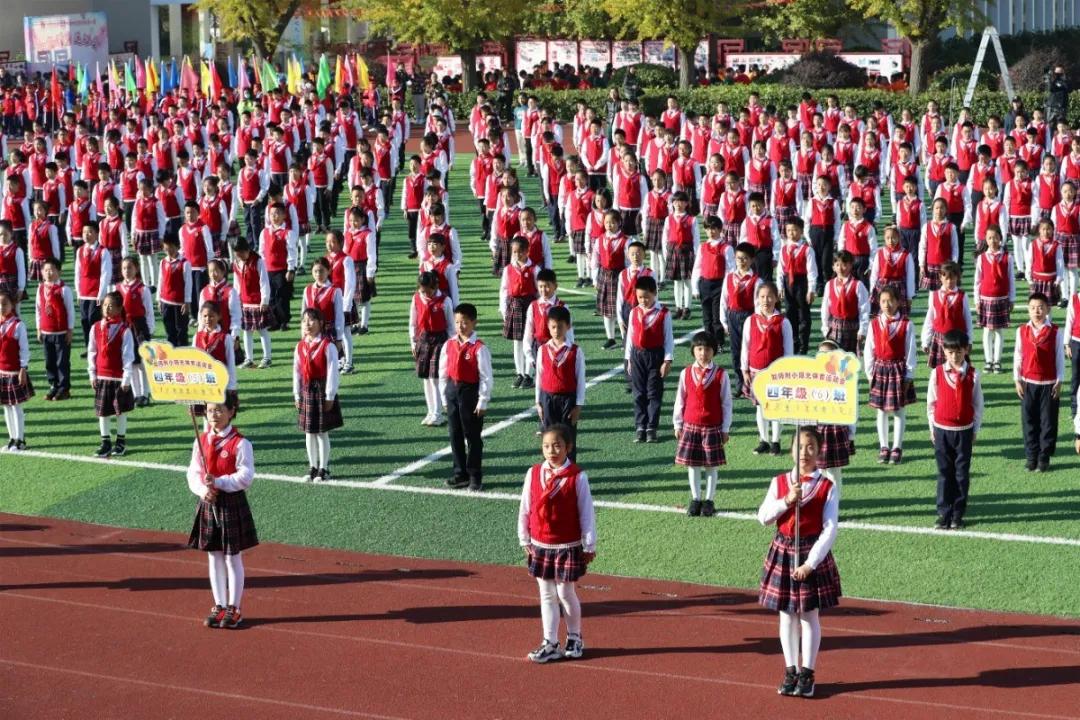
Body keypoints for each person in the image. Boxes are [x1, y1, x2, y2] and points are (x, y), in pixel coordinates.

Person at [757, 426, 842, 699]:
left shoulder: (827, 486)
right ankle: (790, 669)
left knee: (808, 615)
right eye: (799, 447)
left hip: (810, 553)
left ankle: (807, 672)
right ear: (791, 449)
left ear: (818, 452)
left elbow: (830, 529)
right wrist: (786, 500)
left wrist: (811, 563)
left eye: (810, 448)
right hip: (783, 550)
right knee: (786, 614)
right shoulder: (780, 482)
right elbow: (764, 517)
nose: (804, 453)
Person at [517, 424, 596, 663]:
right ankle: (550, 641)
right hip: (540, 543)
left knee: (565, 592)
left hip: (567, 544)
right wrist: (524, 536)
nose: (551, 451)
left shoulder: (577, 477)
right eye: (546, 446)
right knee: (546, 594)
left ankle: (575, 637)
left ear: (568, 447)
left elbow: (586, 512)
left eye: (557, 446)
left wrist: (589, 544)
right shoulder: (533, 473)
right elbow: (525, 507)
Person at [186, 396, 257, 630]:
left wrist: (218, 482)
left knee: (231, 556)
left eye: (219, 410)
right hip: (209, 501)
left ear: (231, 411)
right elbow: (193, 472)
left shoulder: (240, 443)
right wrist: (202, 490)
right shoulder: (201, 440)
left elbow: (245, 477)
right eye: (209, 410)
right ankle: (219, 604)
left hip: (230, 503)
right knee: (213, 555)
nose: (213, 415)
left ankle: (234, 607)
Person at [927, 330, 983, 530]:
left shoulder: (973, 375)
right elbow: (931, 403)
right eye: (950, 352)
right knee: (944, 473)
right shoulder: (937, 373)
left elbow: (978, 404)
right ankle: (943, 512)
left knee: (961, 473)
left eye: (958, 351)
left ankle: (958, 513)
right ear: (944, 351)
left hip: (964, 431)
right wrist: (932, 427)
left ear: (965, 350)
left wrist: (975, 429)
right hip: (942, 431)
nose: (954, 356)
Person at [673, 331, 732, 517]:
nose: (703, 353)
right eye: (699, 349)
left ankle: (709, 500)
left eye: (707, 349)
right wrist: (677, 424)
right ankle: (695, 498)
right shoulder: (686, 373)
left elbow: (726, 403)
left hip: (712, 426)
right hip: (690, 425)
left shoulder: (721, 375)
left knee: (711, 466)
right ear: (693, 351)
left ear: (713, 351)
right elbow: (680, 400)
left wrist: (725, 428)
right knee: (693, 465)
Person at [439, 303, 493, 491]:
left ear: (473, 323)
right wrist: (444, 398)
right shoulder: (449, 344)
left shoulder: (479, 348)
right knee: (455, 435)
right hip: (453, 391)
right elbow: (443, 373)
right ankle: (459, 473)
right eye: (458, 322)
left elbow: (486, 377)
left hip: (470, 393)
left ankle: (474, 475)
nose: (461, 326)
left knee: (473, 436)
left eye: (465, 322)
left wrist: (483, 400)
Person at [865, 285, 917, 465]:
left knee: (899, 410)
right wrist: (869, 372)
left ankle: (897, 447)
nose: (887, 305)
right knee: (881, 411)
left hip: (898, 370)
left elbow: (911, 351)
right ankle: (884, 446)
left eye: (891, 301)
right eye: (883, 301)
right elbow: (869, 349)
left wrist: (909, 374)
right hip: (879, 369)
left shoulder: (906, 324)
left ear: (898, 302)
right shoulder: (874, 324)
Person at [1014, 293, 1065, 473]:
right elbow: (1018, 357)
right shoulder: (1021, 331)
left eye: (1041, 307)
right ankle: (1031, 456)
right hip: (1028, 383)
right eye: (1033, 307)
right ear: (1028, 309)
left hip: (1049, 383)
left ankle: (1044, 456)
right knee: (1029, 420)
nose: (1037, 311)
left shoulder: (1056, 331)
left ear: (1048, 310)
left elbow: (1059, 357)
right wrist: (1017, 379)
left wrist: (1059, 381)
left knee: (1048, 421)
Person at [743, 282, 794, 454]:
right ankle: (763, 439)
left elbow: (788, 350)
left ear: (777, 298)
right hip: (756, 371)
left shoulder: (783, 322)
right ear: (757, 298)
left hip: (776, 374)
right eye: (763, 296)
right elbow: (746, 346)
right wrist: (744, 369)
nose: (766, 300)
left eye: (770, 296)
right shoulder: (750, 320)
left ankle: (775, 441)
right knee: (760, 407)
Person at [293, 307, 342, 483]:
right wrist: (296, 394)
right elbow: (296, 372)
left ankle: (324, 468)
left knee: (321, 432)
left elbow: (332, 373)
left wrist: (330, 395)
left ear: (321, 323)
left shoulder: (328, 346)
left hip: (321, 390)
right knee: (309, 432)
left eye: (312, 320)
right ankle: (312, 466)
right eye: (304, 321)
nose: (308, 324)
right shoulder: (300, 346)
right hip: (306, 390)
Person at [625, 275, 673, 443]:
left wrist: (667, 360)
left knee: (654, 393)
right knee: (639, 393)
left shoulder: (663, 313)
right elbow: (630, 337)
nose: (643, 300)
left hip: (655, 357)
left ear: (655, 293)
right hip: (637, 356)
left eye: (646, 296)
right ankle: (640, 426)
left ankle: (652, 427)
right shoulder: (634, 312)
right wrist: (628, 359)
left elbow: (668, 338)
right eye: (639, 297)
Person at [534, 306, 585, 461]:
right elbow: (539, 376)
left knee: (567, 438)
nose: (556, 331)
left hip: (568, 400)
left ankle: (570, 472)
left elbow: (581, 378)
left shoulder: (575, 351)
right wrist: (538, 401)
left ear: (568, 326)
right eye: (553, 327)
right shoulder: (543, 349)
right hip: (547, 398)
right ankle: (550, 470)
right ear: (548, 327)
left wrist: (578, 405)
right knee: (549, 437)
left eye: (560, 327)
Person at [88, 291, 135, 457]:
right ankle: (105, 441)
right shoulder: (95, 328)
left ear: (119, 308)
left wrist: (126, 378)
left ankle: (120, 441)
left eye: (111, 306)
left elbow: (128, 356)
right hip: (102, 376)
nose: (107, 308)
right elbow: (92, 352)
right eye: (105, 305)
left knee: (120, 411)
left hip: (118, 377)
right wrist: (92, 374)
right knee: (103, 411)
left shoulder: (124, 330)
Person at [410, 271, 454, 427]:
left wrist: (451, 346)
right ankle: (431, 411)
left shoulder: (445, 301)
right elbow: (413, 323)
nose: (425, 293)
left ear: (435, 286)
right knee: (426, 378)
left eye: (427, 290)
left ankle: (438, 414)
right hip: (424, 340)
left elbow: (450, 326)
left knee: (435, 378)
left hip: (440, 340)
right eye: (422, 290)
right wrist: (413, 342)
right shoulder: (416, 299)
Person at [720, 243, 762, 398]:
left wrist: (756, 322)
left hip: (749, 317)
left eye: (745, 259)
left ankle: (750, 382)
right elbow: (724, 300)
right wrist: (724, 321)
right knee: (735, 351)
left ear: (752, 260)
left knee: (749, 351)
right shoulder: (730, 277)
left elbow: (758, 304)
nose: (741, 261)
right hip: (733, 316)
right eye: (739, 258)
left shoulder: (756, 281)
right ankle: (739, 383)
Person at [973, 226, 1015, 374]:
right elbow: (977, 280)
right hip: (986, 298)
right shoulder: (981, 257)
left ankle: (997, 361)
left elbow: (1011, 279)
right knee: (987, 331)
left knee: (998, 331)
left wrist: (1012, 298)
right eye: (989, 237)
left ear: (1000, 238)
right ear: (986, 239)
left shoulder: (1007, 257)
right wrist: (977, 300)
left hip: (1002, 298)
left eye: (995, 237)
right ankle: (988, 360)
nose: (993, 240)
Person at [500, 237, 540, 389]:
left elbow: (538, 291)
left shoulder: (534, 269)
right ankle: (520, 373)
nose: (516, 255)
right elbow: (503, 290)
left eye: (520, 252)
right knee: (517, 342)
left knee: (529, 341)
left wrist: (537, 310)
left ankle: (529, 374)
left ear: (527, 251)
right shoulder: (508, 269)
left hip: (529, 306)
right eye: (514, 252)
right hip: (514, 306)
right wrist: (504, 309)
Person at [117, 256, 155, 407]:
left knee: (143, 363)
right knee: (130, 362)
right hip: (125, 328)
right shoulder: (118, 288)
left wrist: (150, 330)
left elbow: (149, 312)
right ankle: (136, 393)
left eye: (130, 268)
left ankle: (145, 394)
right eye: (124, 268)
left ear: (136, 269)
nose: (127, 271)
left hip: (139, 327)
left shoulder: (142, 289)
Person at [191, 301, 238, 423]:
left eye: (211, 316)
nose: (208, 319)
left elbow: (231, 364)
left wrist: (231, 386)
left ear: (219, 317)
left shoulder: (225, 338)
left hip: (219, 383)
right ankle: (209, 438)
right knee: (205, 414)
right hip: (201, 382)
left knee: (218, 413)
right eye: (205, 316)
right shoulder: (197, 337)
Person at [777, 217, 818, 355]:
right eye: (788, 230)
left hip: (802, 283)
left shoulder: (807, 250)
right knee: (790, 313)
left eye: (795, 230)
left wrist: (811, 290)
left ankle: (803, 343)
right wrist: (780, 287)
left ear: (801, 231)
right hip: (788, 283)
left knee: (803, 315)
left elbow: (812, 272)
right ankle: (793, 342)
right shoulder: (783, 250)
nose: (791, 233)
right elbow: (780, 271)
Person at [35, 258, 74, 401]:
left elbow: (70, 311)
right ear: (42, 273)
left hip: (61, 332)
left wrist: (70, 330)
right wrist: (39, 328)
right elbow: (38, 310)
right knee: (49, 361)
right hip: (46, 332)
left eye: (52, 270)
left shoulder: (64, 289)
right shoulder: (40, 289)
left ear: (59, 272)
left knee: (62, 362)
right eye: (46, 270)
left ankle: (64, 389)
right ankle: (54, 386)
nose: (49, 273)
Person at [921, 263, 972, 369]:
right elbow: (930, 319)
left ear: (957, 277)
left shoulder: (962, 296)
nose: (949, 281)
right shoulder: (934, 295)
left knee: (958, 368)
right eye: (946, 278)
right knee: (940, 370)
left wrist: (969, 340)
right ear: (940, 277)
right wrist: (925, 340)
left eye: (953, 278)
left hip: (957, 339)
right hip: (940, 339)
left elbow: (968, 320)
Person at [231, 237, 272, 369]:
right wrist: (236, 300)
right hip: (244, 303)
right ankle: (249, 359)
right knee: (246, 331)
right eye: (237, 254)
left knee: (262, 330)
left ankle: (267, 357)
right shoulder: (236, 264)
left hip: (257, 302)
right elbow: (236, 284)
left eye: (242, 253)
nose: (240, 257)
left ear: (247, 250)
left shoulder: (258, 261)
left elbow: (264, 281)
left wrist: (264, 300)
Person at [820, 251, 869, 354]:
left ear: (851, 265)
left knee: (849, 360)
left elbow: (864, 309)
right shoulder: (829, 285)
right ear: (833, 267)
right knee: (833, 359)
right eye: (837, 265)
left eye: (844, 265)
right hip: (834, 327)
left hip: (852, 328)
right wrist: (825, 327)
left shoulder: (858, 285)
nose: (841, 268)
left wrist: (862, 329)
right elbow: (825, 308)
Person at [593, 209, 629, 351]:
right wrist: (595, 278)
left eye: (612, 222)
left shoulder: (625, 240)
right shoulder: (600, 239)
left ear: (619, 223)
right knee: (607, 310)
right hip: (604, 276)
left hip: (619, 276)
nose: (609, 225)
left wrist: (627, 278)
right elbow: (595, 259)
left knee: (621, 309)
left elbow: (628, 261)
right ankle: (611, 338)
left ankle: (625, 337)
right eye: (607, 222)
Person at [0, 291, 30, 452]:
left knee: (17, 407)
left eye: (4, 303)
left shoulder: (18, 325)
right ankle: (12, 438)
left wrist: (23, 368)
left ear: (12, 305)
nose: (1, 307)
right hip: (1, 372)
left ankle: (20, 439)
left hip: (14, 372)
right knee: (6, 406)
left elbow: (24, 349)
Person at [664, 191, 699, 320]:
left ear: (686, 203)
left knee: (687, 281)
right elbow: (665, 237)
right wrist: (666, 252)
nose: (678, 204)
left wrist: (696, 254)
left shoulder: (692, 220)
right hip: (673, 251)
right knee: (677, 282)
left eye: (681, 201)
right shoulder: (669, 219)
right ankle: (678, 307)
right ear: (672, 203)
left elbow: (696, 238)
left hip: (687, 250)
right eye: (675, 201)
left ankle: (687, 308)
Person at [157, 234, 192, 347]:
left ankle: (183, 355)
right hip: (166, 302)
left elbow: (188, 284)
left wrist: (187, 302)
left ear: (177, 247)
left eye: (171, 248)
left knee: (181, 331)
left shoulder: (184, 263)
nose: (169, 251)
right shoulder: (163, 262)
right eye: (166, 248)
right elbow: (160, 281)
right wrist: (159, 299)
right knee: (169, 331)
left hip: (179, 303)